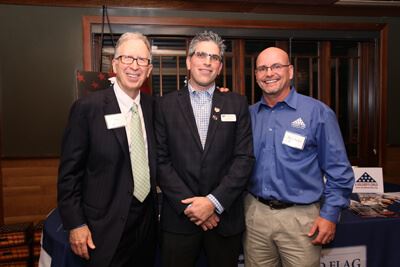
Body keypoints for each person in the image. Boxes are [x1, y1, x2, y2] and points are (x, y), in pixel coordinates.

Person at [243, 47, 355, 267]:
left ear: (290, 71)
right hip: (256, 216)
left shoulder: (318, 113)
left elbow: (339, 171)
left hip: (301, 219)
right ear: (256, 75)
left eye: (276, 66)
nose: (269, 73)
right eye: (262, 68)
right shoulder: (248, 115)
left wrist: (330, 214)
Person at [57, 32, 158, 267]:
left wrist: (217, 96)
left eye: (142, 60)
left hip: (145, 227)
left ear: (149, 69)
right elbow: (69, 174)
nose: (135, 66)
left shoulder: (155, 108)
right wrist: (76, 224)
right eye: (127, 58)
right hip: (102, 228)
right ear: (114, 64)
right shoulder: (87, 109)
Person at [155, 30, 254, 267]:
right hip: (179, 220)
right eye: (201, 55)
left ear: (220, 67)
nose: (207, 62)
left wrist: (212, 203)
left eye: (215, 57)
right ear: (189, 61)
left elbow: (244, 159)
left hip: (223, 218)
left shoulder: (237, 103)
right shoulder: (164, 105)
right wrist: (192, 207)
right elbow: (160, 160)